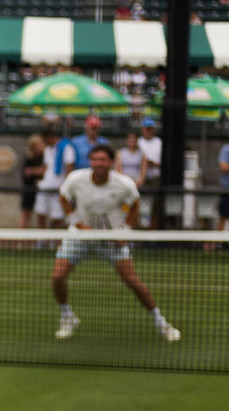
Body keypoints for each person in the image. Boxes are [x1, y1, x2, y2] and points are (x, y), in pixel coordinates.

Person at [50, 145, 180, 343]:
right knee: (58, 276)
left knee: (132, 280)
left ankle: (160, 322)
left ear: (110, 162)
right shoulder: (76, 179)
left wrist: (124, 231)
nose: (98, 164)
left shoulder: (124, 183)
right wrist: (77, 222)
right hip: (79, 236)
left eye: (103, 160)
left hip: (111, 239)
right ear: (90, 161)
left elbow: (135, 205)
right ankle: (67, 316)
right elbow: (63, 197)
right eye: (95, 159)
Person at [33, 115, 67, 233]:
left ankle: (56, 242)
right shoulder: (47, 149)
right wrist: (41, 179)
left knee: (57, 217)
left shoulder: (66, 148)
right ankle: (42, 241)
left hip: (58, 189)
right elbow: (46, 167)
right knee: (40, 213)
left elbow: (69, 169)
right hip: (44, 188)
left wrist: (66, 188)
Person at [137, 118, 163, 228]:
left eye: (150, 129)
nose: (148, 131)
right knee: (140, 204)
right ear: (142, 129)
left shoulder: (159, 142)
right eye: (146, 128)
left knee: (155, 206)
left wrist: (154, 164)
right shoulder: (138, 142)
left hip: (155, 177)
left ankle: (153, 229)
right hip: (140, 178)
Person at [19, 134, 45, 230]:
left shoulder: (45, 157)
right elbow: (26, 172)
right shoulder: (28, 158)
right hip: (29, 190)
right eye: (38, 145)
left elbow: (44, 170)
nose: (40, 147)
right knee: (26, 214)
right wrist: (38, 170)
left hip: (41, 190)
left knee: (41, 216)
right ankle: (20, 240)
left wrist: (34, 171)